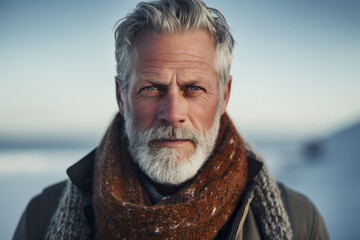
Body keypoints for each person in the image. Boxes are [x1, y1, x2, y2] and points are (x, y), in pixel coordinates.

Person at [13, 0, 329, 239]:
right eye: (151, 88)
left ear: (224, 96)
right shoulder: (40, 219)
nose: (173, 113)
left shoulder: (300, 221)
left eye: (193, 88)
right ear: (121, 97)